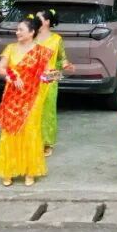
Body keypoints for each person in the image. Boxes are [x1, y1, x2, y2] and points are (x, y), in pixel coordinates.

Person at [0, 17, 53, 186]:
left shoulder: (41, 52)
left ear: (32, 32)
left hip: (32, 98)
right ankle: (8, 170)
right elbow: (1, 69)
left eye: (21, 30)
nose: (17, 32)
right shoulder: (10, 48)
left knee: (30, 131)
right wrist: (12, 76)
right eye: (17, 29)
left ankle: (30, 171)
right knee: (10, 131)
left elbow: (49, 73)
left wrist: (50, 76)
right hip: (12, 97)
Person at [35, 9, 75, 156]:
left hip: (49, 80)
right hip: (31, 79)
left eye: (39, 19)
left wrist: (66, 66)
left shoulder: (56, 39)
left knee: (48, 111)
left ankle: (47, 143)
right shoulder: (31, 37)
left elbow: (62, 59)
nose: (35, 22)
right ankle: (33, 141)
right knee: (32, 110)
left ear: (47, 22)